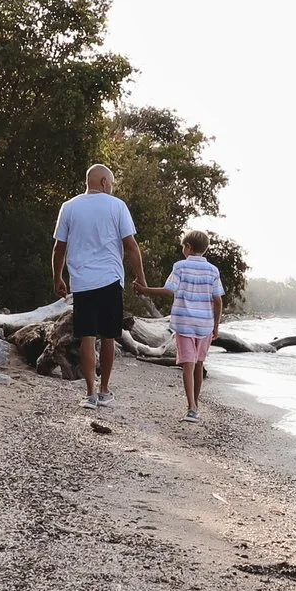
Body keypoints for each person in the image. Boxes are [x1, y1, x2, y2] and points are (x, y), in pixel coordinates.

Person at [51, 163, 144, 409]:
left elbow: (59, 247)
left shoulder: (69, 207)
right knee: (109, 336)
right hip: (111, 279)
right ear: (104, 182)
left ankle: (90, 392)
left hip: (82, 282)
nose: (112, 188)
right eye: (111, 183)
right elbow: (131, 245)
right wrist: (141, 278)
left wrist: (57, 278)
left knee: (87, 336)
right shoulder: (117, 206)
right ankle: (104, 390)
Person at [140, 229, 224, 420]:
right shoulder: (213, 270)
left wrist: (145, 290)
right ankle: (196, 404)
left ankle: (191, 407)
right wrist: (216, 326)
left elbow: (169, 290)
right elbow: (218, 300)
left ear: (188, 247)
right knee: (199, 363)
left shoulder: (180, 267)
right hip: (205, 325)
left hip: (184, 322)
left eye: (183, 247)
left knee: (188, 364)